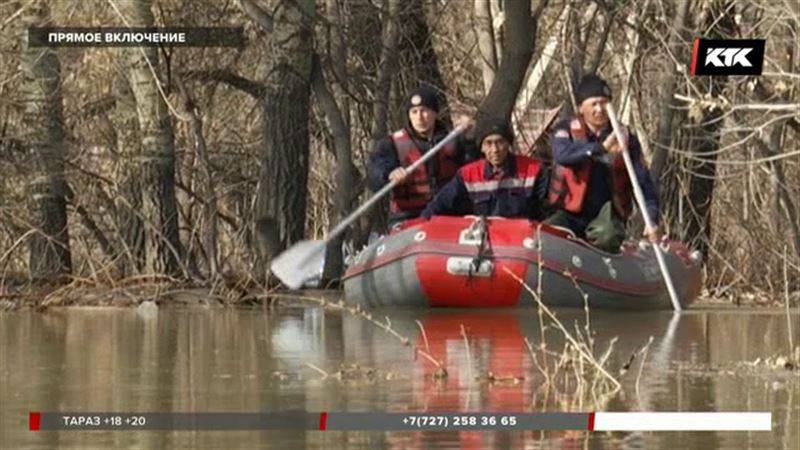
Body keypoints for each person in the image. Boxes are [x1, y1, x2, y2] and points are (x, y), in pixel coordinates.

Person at [545, 74, 662, 252]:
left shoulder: (625, 138)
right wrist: (600, 148)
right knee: (544, 235)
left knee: (608, 236)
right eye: (594, 104)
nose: (600, 109)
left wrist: (651, 219)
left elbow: (643, 183)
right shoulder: (565, 129)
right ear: (580, 108)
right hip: (569, 211)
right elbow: (562, 155)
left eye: (604, 103)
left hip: (606, 213)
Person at [367, 86, 476, 227]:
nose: (419, 117)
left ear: (435, 113)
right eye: (414, 112)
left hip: (450, 212)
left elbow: (474, 168)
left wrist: (470, 139)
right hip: (407, 215)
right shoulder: (391, 144)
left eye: (424, 111)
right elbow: (374, 174)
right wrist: (389, 174)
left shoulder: (455, 139)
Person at [421, 118, 547, 220]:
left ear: (508, 144)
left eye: (500, 142)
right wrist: (421, 224)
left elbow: (548, 212)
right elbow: (439, 205)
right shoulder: (467, 175)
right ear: (481, 148)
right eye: (488, 143)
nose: (495, 150)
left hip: (522, 242)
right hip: (483, 243)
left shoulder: (534, 170)